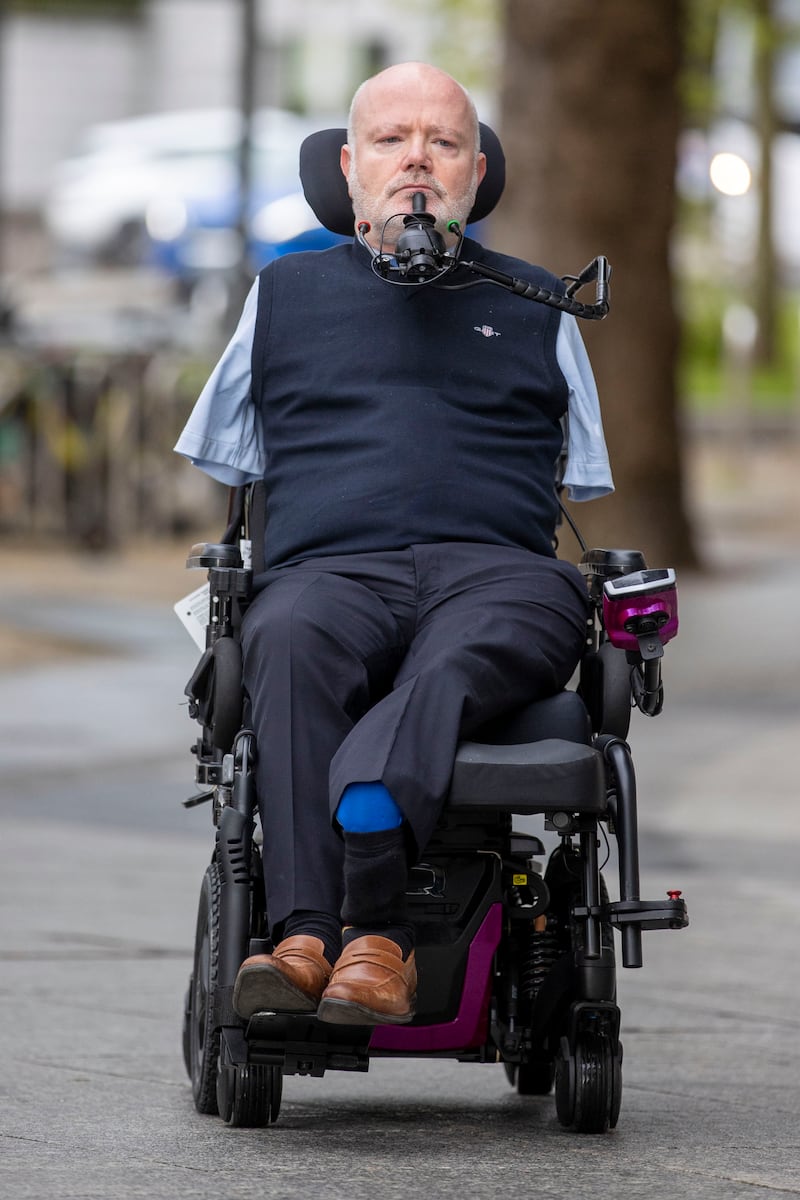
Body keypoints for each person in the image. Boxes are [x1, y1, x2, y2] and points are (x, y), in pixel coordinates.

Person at [175, 62, 613, 1028]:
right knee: (284, 636)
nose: (416, 159)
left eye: (443, 143)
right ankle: (304, 940)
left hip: (498, 577)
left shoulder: (543, 305)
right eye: (390, 140)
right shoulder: (281, 297)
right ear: (349, 166)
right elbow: (230, 464)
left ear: (474, 171)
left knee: (458, 655)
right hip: (331, 574)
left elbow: (578, 482)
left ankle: (372, 931)